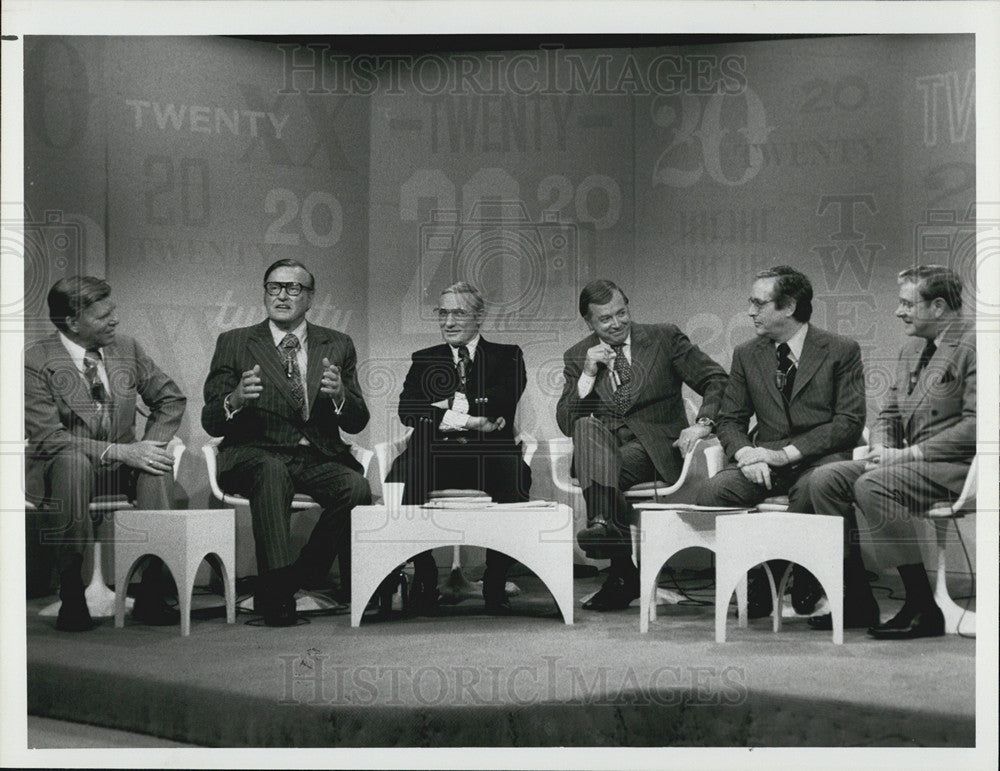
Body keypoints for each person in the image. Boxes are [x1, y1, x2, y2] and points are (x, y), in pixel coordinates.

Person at [808, 265, 975, 638]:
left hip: (957, 467)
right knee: (824, 480)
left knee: (873, 485)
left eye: (906, 303)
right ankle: (856, 599)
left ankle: (920, 604)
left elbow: (979, 426)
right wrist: (882, 445)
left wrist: (908, 454)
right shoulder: (911, 348)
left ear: (938, 307)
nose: (898, 312)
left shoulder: (978, 346)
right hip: (908, 464)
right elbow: (889, 413)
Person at [202, 259, 371, 626]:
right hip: (252, 454)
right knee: (271, 470)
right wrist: (235, 399)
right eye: (274, 287)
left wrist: (341, 395)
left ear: (310, 298)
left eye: (293, 288)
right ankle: (279, 596)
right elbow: (210, 417)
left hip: (316, 456)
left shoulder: (338, 344)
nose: (282, 295)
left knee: (356, 487)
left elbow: (357, 421)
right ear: (265, 293)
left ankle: (296, 576)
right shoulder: (234, 342)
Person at [696, 265, 869, 620]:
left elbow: (849, 423)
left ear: (788, 306)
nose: (750, 311)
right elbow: (731, 418)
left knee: (812, 490)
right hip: (761, 460)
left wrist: (783, 454)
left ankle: (801, 574)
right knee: (713, 492)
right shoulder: (747, 353)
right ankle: (757, 574)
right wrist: (746, 454)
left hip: (817, 459)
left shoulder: (840, 350)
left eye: (759, 303)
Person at [25, 276, 187, 631]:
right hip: (63, 469)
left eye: (113, 312)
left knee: (156, 465)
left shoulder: (126, 348)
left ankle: (151, 588)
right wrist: (122, 451)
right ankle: (71, 591)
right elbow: (50, 438)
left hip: (120, 468)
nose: (114, 321)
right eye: (103, 317)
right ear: (73, 323)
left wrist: (150, 447)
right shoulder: (37, 360)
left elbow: (170, 399)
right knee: (71, 464)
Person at [556, 279, 728, 611]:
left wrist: (704, 424)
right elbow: (566, 423)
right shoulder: (578, 356)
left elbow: (716, 379)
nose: (617, 323)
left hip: (657, 450)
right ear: (589, 322)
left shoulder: (664, 337)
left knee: (601, 474)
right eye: (605, 319)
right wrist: (588, 374)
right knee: (586, 426)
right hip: (601, 450)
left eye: (622, 313)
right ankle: (620, 561)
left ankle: (617, 559)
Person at [387, 282, 532, 615]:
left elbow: (501, 405)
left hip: (490, 454)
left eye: (459, 313)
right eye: (443, 312)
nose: (448, 321)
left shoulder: (508, 355)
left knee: (517, 474)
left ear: (479, 317)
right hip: (433, 453)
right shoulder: (425, 359)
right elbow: (408, 410)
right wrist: (471, 419)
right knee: (401, 475)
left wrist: (440, 407)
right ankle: (424, 574)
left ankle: (495, 578)